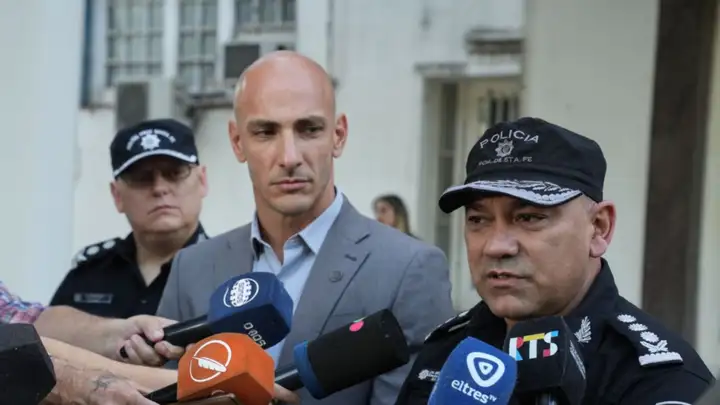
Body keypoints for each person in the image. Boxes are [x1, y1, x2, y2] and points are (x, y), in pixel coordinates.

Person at [128, 51, 455, 405]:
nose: (289, 157)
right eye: (266, 132)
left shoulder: (408, 268)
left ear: (338, 135)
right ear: (237, 142)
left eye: (309, 129)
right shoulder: (191, 268)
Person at [393, 117, 715, 405]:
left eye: (529, 217)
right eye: (478, 220)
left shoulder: (657, 380)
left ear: (599, 228)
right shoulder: (448, 351)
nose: (496, 246)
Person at [50, 119, 209, 319]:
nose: (159, 188)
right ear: (117, 196)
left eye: (175, 173)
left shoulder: (227, 272)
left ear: (202, 181)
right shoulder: (88, 276)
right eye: (141, 177)